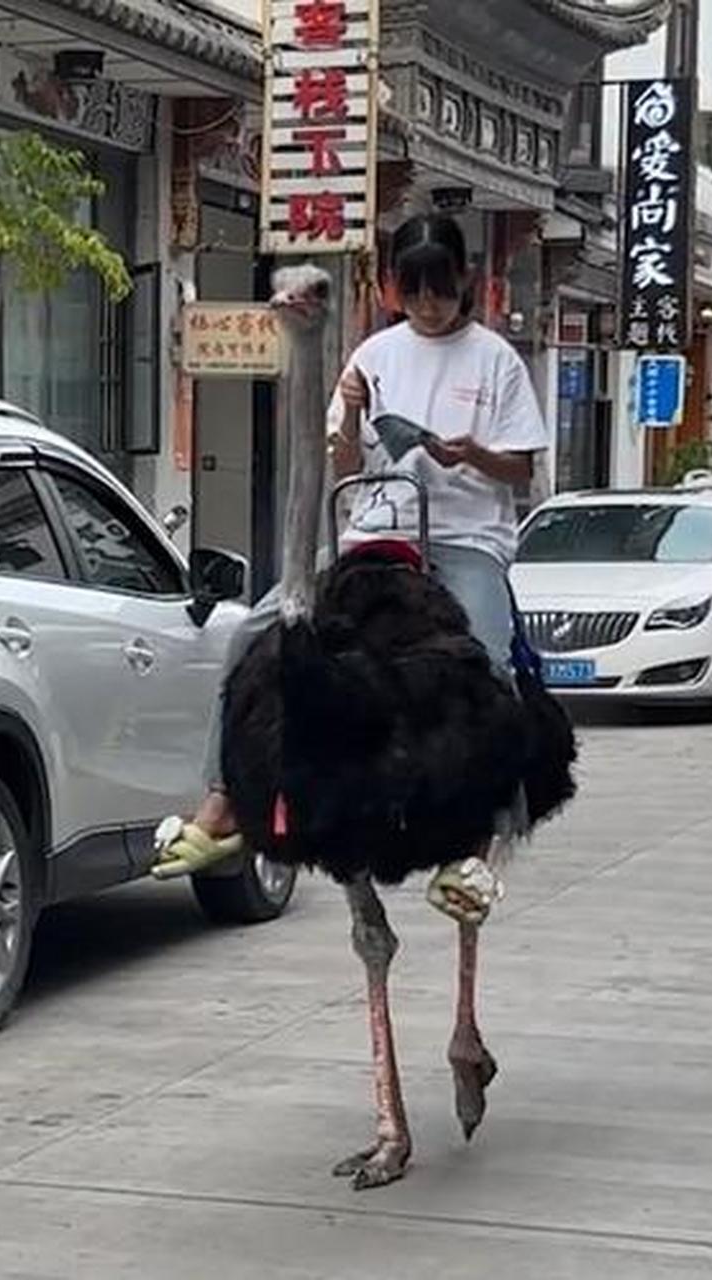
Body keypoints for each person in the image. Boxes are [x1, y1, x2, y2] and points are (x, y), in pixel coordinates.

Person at [151, 212, 551, 925]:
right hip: (372, 525)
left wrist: (469, 456)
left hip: (461, 535)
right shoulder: (373, 355)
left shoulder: (496, 361)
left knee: (487, 656)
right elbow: (342, 459)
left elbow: (521, 467)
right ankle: (222, 798)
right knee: (256, 635)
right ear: (395, 287)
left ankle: (485, 829)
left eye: (441, 290)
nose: (429, 305)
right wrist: (345, 425)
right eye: (416, 291)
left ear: (463, 282)